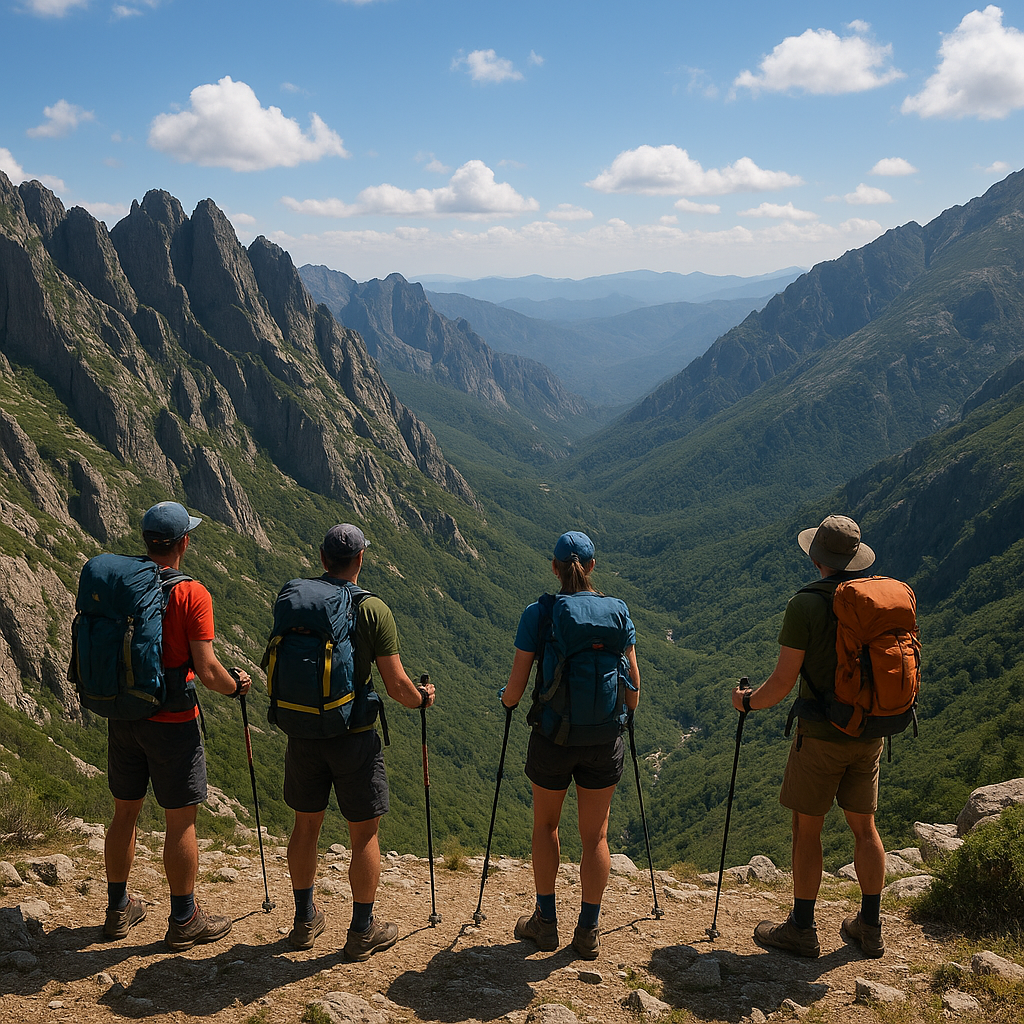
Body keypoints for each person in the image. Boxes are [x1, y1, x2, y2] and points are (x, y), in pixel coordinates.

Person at [732, 514, 887, 959]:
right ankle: (870, 925)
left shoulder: (806, 605)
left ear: (817, 558)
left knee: (806, 828)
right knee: (865, 827)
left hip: (820, 735)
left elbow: (781, 684)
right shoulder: (877, 598)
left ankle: (802, 927)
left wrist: (746, 702)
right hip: (871, 731)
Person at [103, 501, 252, 950]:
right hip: (171, 722)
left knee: (124, 813)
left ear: (148, 540)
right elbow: (207, 671)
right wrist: (237, 687)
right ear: (183, 542)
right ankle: (184, 918)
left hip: (124, 714)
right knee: (180, 822)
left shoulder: (121, 584)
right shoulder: (192, 594)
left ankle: (117, 909)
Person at [282, 524, 435, 959]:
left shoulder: (297, 599)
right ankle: (362, 930)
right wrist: (422, 699)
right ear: (361, 559)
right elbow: (397, 686)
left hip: (304, 732)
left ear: (322, 556)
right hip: (353, 738)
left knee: (305, 826)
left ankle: (304, 920)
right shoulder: (373, 610)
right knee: (364, 834)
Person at [501, 531, 641, 961]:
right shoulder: (618, 612)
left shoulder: (539, 614)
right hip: (604, 739)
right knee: (596, 835)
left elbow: (517, 686)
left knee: (546, 826)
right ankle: (589, 929)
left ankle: (545, 922)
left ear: (554, 568)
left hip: (553, 738)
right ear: (593, 566)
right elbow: (633, 690)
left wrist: (507, 704)